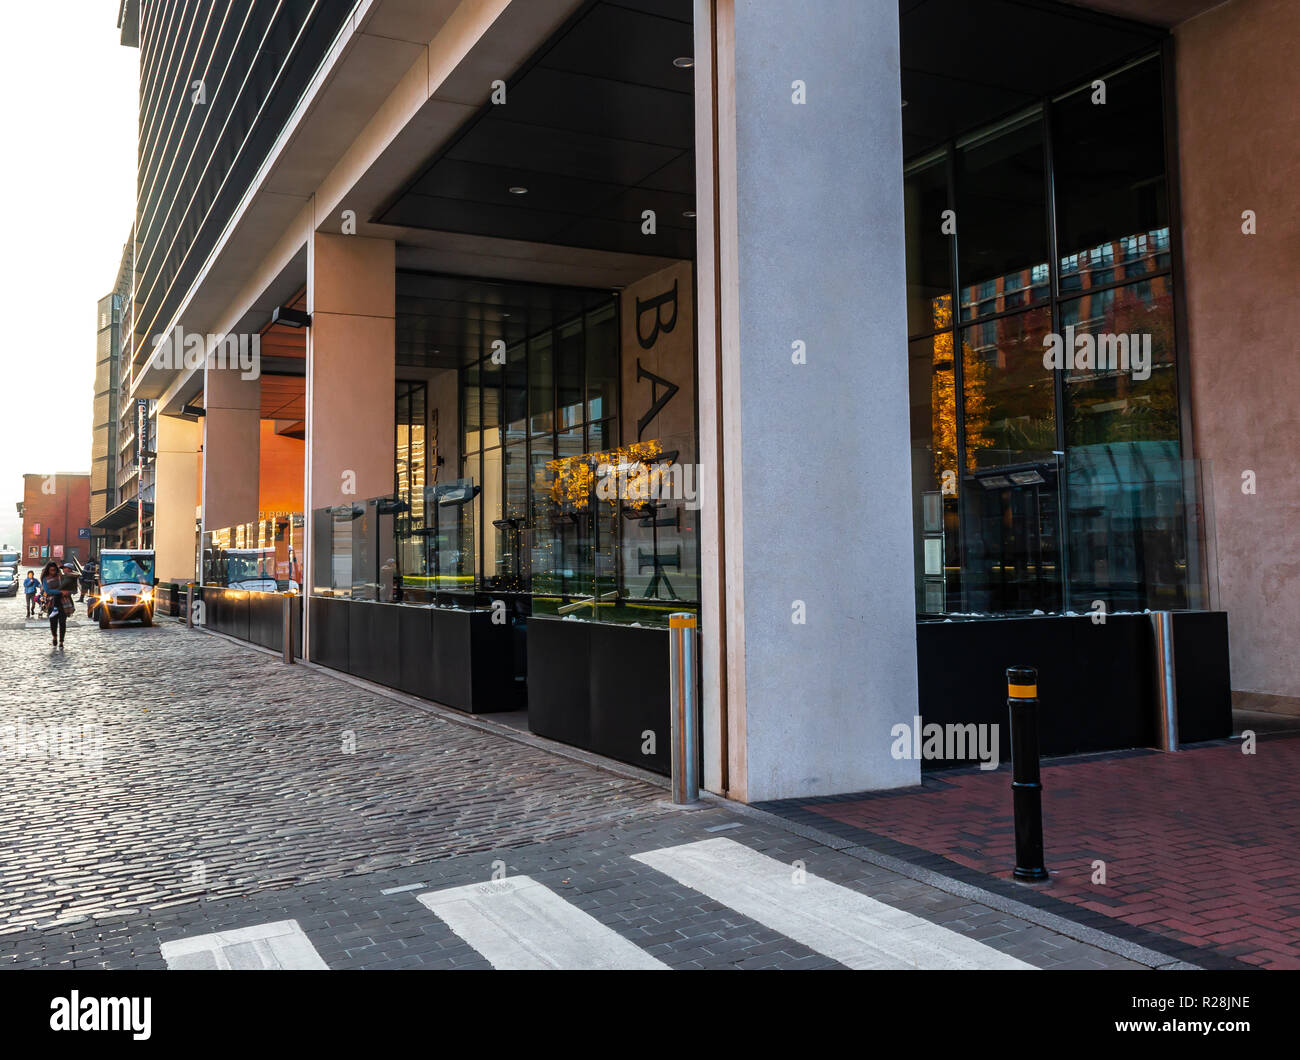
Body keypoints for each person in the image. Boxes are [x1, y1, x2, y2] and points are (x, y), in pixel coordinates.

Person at [41, 561, 68, 648]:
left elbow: (67, 586)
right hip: (51, 603)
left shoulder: (60, 576)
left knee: (62, 622)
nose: (53, 572)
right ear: (48, 570)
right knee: (53, 622)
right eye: (51, 570)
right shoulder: (45, 578)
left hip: (63, 602)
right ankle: (54, 637)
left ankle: (61, 641)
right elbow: (47, 591)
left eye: (54, 570)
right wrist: (59, 592)